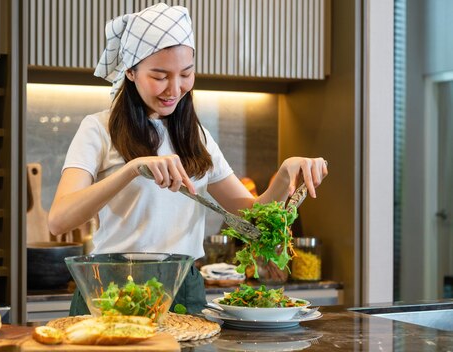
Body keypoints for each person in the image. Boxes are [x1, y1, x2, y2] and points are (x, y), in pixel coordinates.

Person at [48, 3, 328, 315]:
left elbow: (251, 215)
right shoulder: (98, 129)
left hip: (184, 289)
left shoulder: (198, 136)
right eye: (160, 75)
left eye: (186, 74)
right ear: (130, 71)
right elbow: (59, 219)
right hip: (113, 288)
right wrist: (131, 170)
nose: (175, 88)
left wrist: (285, 176)